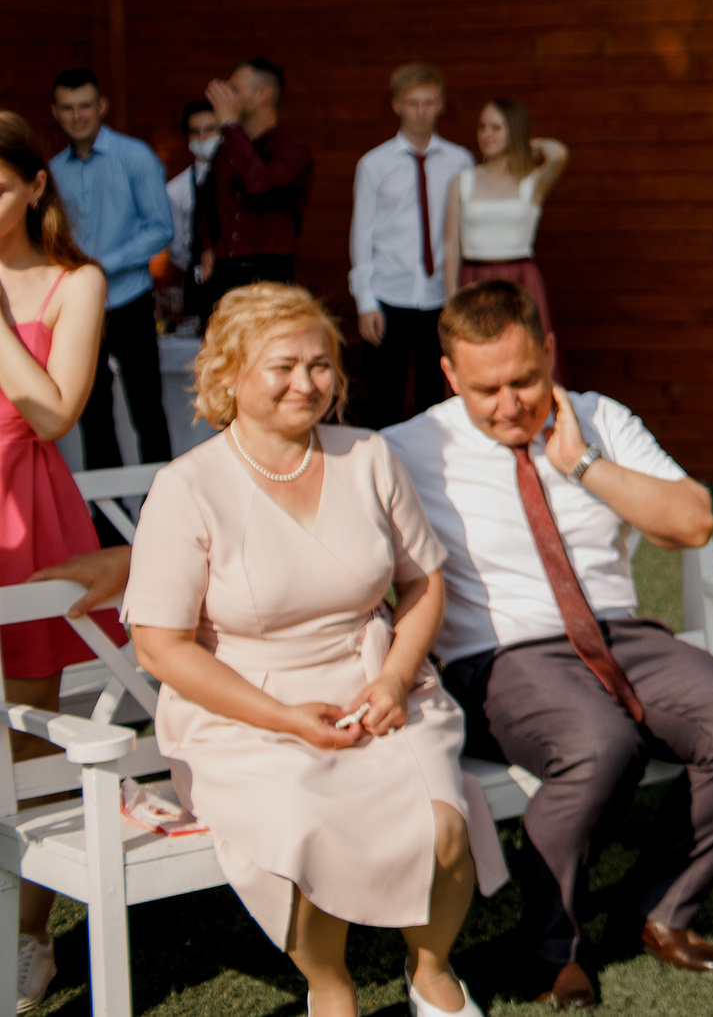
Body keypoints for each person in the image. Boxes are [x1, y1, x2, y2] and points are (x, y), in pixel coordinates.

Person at [386, 282, 713, 1010]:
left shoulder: (600, 417)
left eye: (526, 380)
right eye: (486, 388)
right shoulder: (407, 448)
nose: (510, 404)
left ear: (550, 351)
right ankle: (549, 948)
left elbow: (692, 522)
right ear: (450, 375)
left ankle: (657, 909)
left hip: (622, 636)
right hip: (502, 656)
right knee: (600, 744)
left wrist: (584, 462)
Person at [125, 284, 504, 1017]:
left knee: (444, 825)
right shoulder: (186, 487)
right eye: (283, 366)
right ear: (228, 372)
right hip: (243, 713)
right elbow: (161, 648)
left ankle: (431, 971)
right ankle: (329, 987)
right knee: (303, 827)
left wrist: (395, 678)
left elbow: (424, 583)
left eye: (321, 364)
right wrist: (283, 717)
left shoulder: (369, 455)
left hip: (376, 684)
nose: (307, 382)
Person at [0, 113, 138, 1012]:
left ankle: (29, 937)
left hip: (26, 503)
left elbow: (54, 413)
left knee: (29, 736)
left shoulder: (75, 282)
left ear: (35, 186)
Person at [46, 70, 177, 469]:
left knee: (147, 410)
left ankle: (161, 501)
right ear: (55, 112)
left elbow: (161, 228)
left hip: (129, 300)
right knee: (91, 413)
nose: (77, 116)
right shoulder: (52, 171)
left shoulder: (135, 156)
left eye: (85, 105)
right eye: (68, 108)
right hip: (78, 309)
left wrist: (102, 265)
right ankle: (107, 509)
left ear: (101, 106)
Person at [351, 65, 473, 428]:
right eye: (413, 103)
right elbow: (362, 234)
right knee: (384, 394)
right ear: (397, 105)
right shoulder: (374, 164)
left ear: (440, 104)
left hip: (440, 295)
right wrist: (365, 301)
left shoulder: (459, 161)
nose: (421, 111)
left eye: (429, 102)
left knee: (436, 395)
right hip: (389, 293)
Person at [443, 99, 568, 382]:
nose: (486, 134)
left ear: (514, 130)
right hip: (474, 279)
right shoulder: (462, 181)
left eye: (496, 128)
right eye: (482, 127)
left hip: (521, 279)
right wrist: (451, 300)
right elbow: (451, 247)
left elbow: (558, 153)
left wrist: (526, 145)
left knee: (527, 355)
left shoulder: (532, 182)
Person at [203, 58, 313, 305]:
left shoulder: (293, 149)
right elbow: (207, 200)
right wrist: (207, 246)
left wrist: (230, 124)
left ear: (263, 94)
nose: (228, 97)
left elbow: (260, 184)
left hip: (269, 270)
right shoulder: (226, 148)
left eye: (234, 89)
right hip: (225, 268)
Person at [165, 99, 222, 330]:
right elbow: (176, 248)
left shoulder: (242, 182)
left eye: (210, 130)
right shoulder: (175, 190)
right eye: (195, 132)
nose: (203, 137)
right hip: (199, 286)